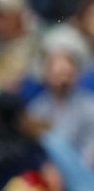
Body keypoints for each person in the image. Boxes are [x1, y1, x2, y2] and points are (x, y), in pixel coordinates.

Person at [29, 28, 94, 167]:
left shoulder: (89, 106)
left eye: (69, 63)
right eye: (54, 64)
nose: (62, 69)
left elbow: (89, 155)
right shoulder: (36, 108)